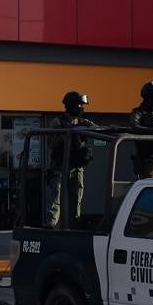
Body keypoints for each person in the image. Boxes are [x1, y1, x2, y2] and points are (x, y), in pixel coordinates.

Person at [46, 91, 98, 228]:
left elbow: (98, 129)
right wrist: (68, 133)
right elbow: (51, 143)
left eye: (82, 105)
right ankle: (51, 223)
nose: (82, 108)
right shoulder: (58, 122)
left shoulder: (83, 122)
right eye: (80, 105)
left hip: (76, 166)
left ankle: (74, 224)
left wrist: (85, 128)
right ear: (71, 105)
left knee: (77, 196)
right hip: (60, 165)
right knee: (57, 194)